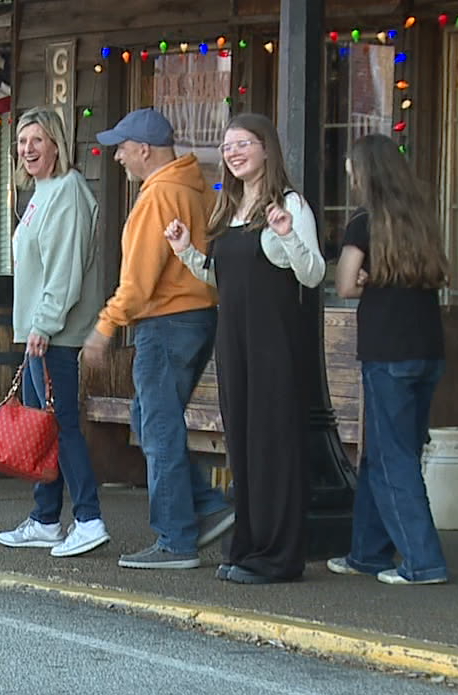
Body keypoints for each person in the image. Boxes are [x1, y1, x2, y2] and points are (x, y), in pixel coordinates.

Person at [165, 113, 325, 584]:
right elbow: (221, 278)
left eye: (243, 144)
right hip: (233, 343)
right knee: (244, 446)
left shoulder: (289, 205)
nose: (233, 153)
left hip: (275, 345)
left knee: (273, 445)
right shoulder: (230, 207)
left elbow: (312, 273)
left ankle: (278, 558)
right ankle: (248, 547)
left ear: (266, 149)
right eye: (228, 146)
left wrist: (286, 234)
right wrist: (186, 252)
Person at [84, 108, 233, 570]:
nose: (118, 159)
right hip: (195, 317)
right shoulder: (193, 186)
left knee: (160, 427)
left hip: (165, 322)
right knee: (147, 417)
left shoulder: (158, 196)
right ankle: (207, 507)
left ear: (144, 150)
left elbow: (139, 281)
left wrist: (105, 327)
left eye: (122, 149)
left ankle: (176, 539)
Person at [328, 133, 449, 586]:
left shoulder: (364, 221)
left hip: (386, 351)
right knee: (386, 453)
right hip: (427, 348)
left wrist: (367, 278)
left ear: (364, 173)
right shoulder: (419, 218)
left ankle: (423, 561)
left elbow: (343, 285)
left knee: (391, 457)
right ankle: (368, 552)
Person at [0, 106, 110, 557]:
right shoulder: (43, 192)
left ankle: (88, 517)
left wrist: (43, 323)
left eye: (37, 141)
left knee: (62, 427)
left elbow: (64, 268)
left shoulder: (69, 192)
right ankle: (45, 518)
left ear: (57, 145)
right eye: (23, 142)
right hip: (38, 332)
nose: (28, 150)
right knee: (46, 428)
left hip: (54, 334)